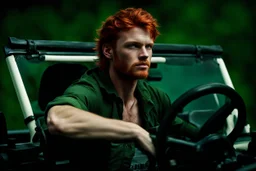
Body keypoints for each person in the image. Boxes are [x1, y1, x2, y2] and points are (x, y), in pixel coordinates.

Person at [45, 7, 198, 171]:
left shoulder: (155, 97)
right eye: (133, 46)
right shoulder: (91, 90)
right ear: (108, 51)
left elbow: (189, 132)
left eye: (149, 46)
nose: (145, 54)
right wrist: (134, 131)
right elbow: (58, 119)